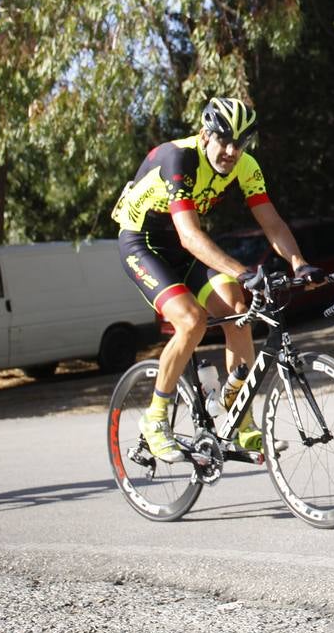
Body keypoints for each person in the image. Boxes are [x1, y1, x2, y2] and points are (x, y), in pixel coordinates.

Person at [112, 97, 321, 463]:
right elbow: (191, 236)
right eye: (224, 140)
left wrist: (299, 263)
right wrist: (242, 271)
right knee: (191, 320)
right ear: (205, 134)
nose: (230, 151)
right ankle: (155, 419)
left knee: (239, 311)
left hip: (183, 246)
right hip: (142, 244)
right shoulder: (178, 158)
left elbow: (271, 222)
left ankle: (242, 423)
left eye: (239, 144)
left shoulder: (246, 166)